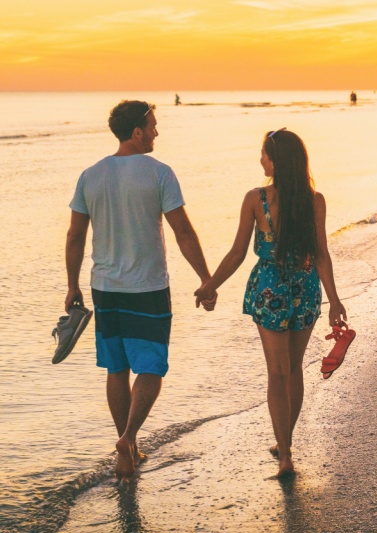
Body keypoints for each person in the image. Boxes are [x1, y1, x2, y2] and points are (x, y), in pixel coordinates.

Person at [64, 100, 215, 480]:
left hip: (105, 288)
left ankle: (125, 448)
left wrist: (71, 285)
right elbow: (183, 231)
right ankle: (130, 437)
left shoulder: (90, 175)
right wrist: (205, 278)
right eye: (152, 126)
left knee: (117, 369)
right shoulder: (159, 173)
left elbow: (75, 236)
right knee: (150, 367)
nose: (156, 132)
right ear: (136, 132)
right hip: (147, 287)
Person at [195, 128, 347, 479]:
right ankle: (285, 444)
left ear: (276, 160)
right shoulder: (314, 200)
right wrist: (335, 299)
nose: (260, 159)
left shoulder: (256, 198)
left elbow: (236, 253)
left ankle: (285, 456)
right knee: (293, 371)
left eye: (264, 153)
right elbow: (321, 254)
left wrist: (210, 284)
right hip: (306, 288)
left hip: (270, 291)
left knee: (277, 374)